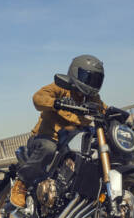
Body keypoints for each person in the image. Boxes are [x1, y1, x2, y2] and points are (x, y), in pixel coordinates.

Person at [10, 55, 107, 208]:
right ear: (75, 73)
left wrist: (120, 119)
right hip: (47, 138)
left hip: (73, 140)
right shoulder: (61, 87)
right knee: (49, 148)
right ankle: (21, 184)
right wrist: (55, 102)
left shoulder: (92, 98)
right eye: (87, 77)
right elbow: (38, 98)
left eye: (95, 80)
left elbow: (104, 109)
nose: (90, 83)